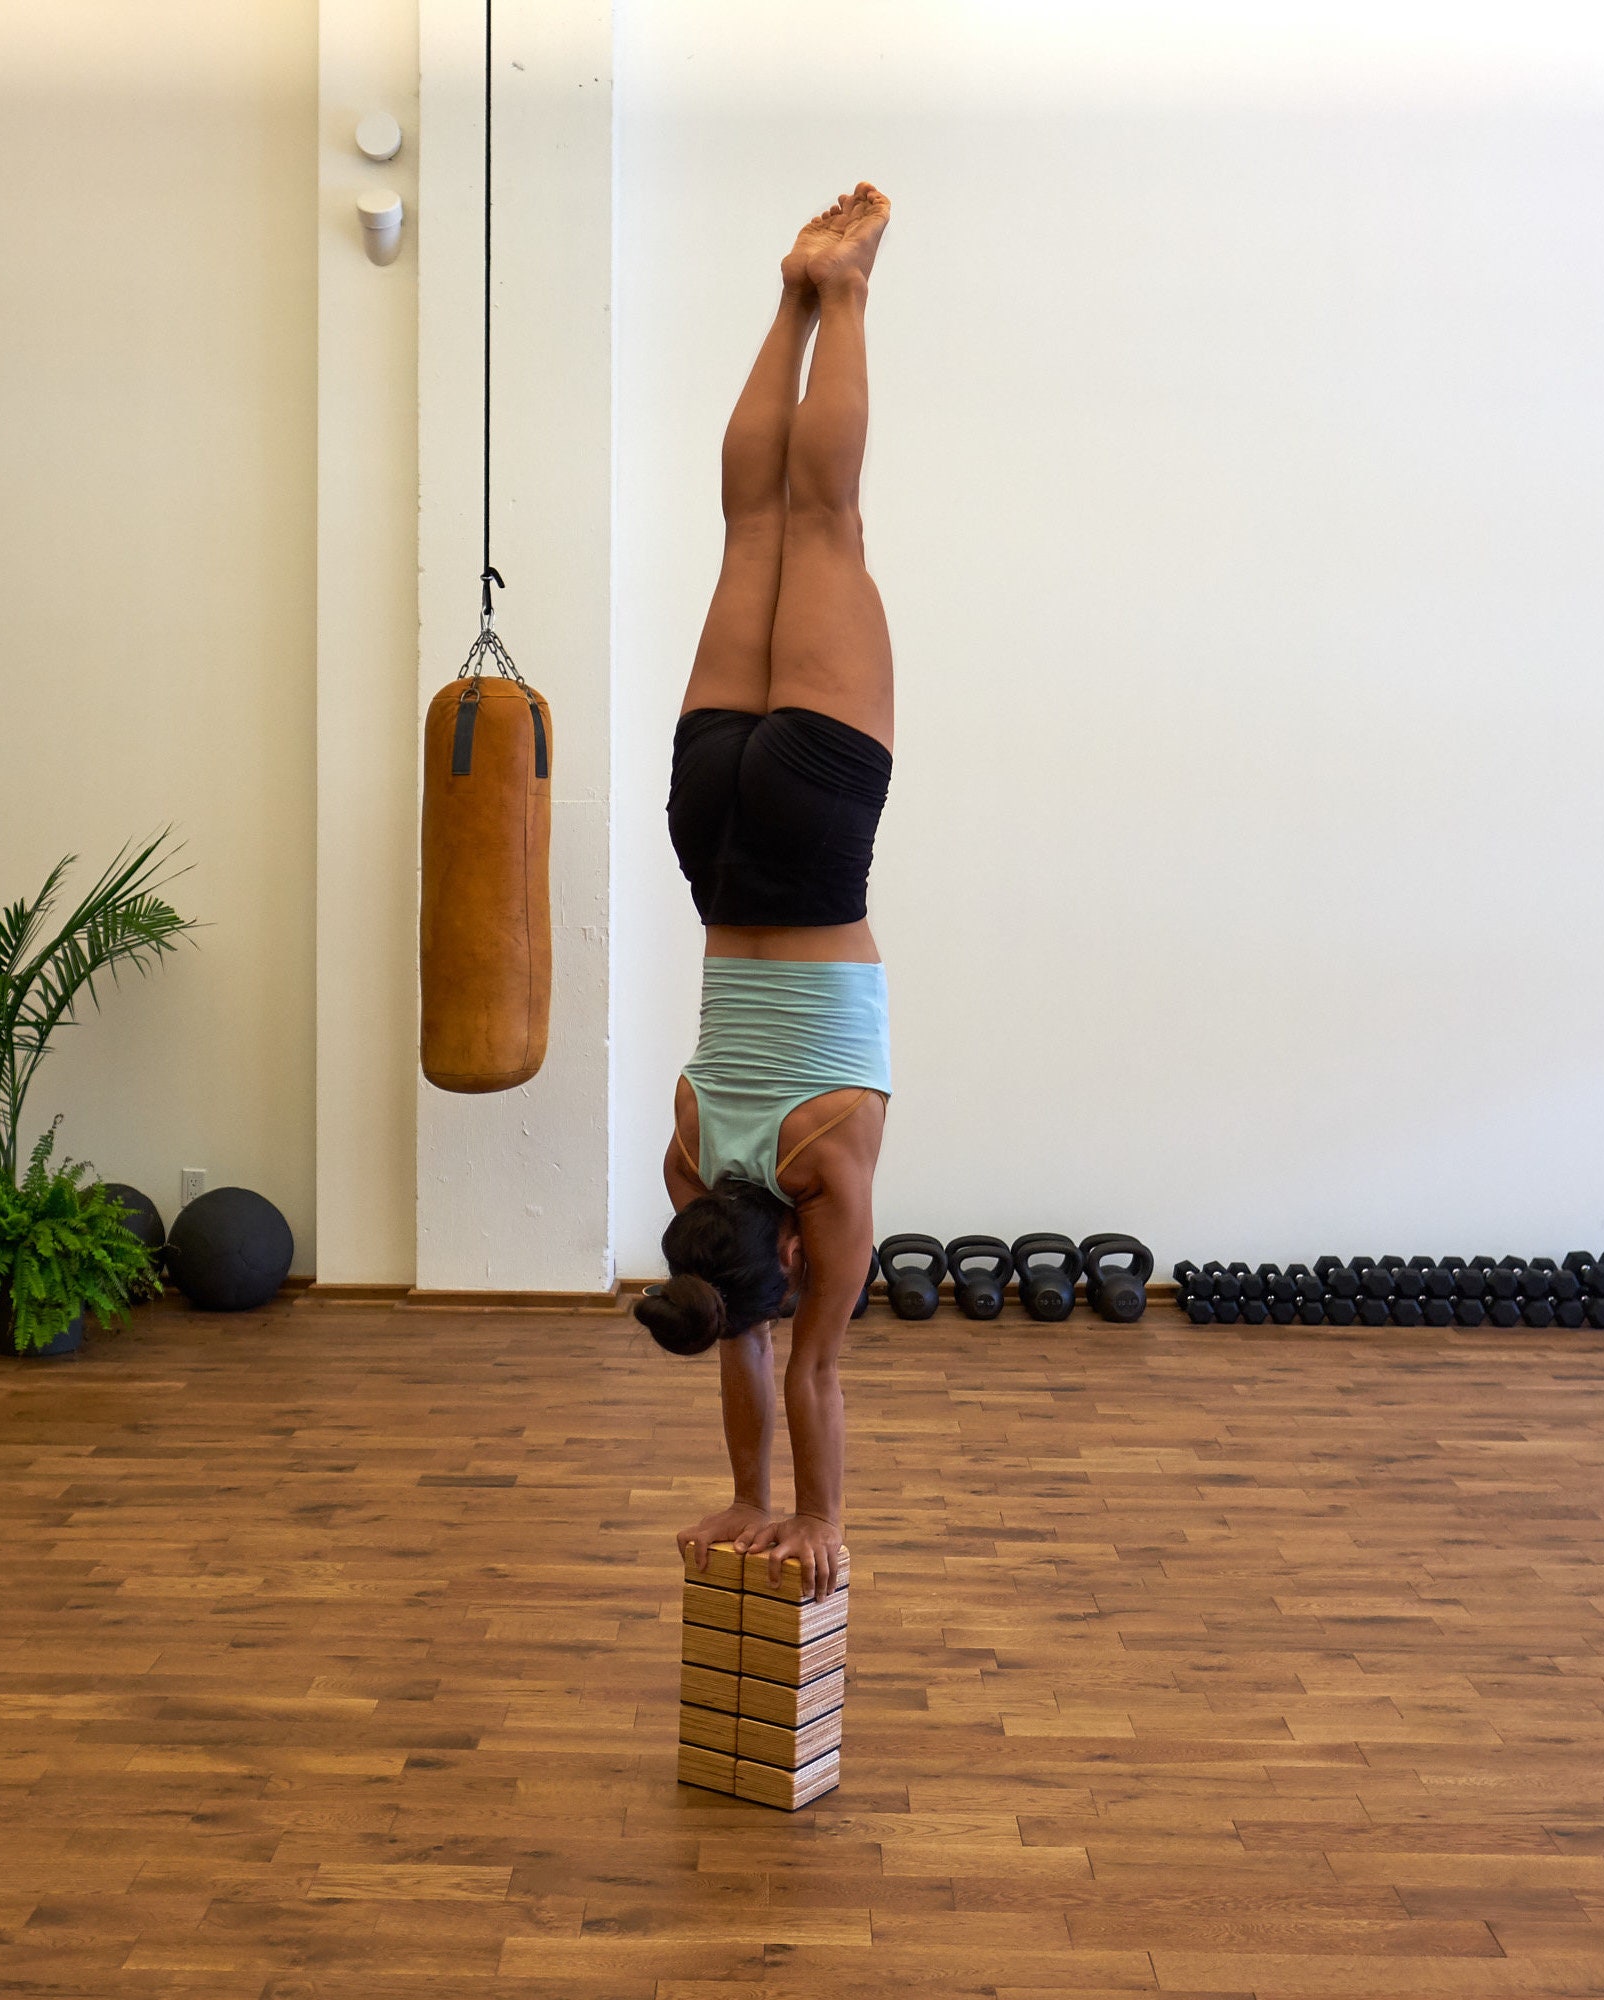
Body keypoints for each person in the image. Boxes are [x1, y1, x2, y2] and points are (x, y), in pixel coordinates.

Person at [634, 185, 894, 1605]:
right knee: (750, 529)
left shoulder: (827, 1166)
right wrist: (744, 1500)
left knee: (827, 524)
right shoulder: (689, 1153)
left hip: (811, 836)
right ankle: (790, 297)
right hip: (710, 834)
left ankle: (844, 294)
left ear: (790, 1237)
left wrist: (801, 1516)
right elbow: (731, 1319)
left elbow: (810, 1360)